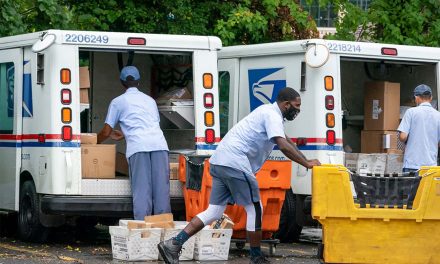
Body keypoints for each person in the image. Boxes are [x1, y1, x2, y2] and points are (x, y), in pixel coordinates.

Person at [158, 87, 321, 264]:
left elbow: (286, 139)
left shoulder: (267, 112)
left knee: (214, 211)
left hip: (220, 161)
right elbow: (282, 145)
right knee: (255, 208)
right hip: (235, 163)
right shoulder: (272, 115)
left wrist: (307, 159)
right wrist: (306, 164)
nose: (298, 110)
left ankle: (173, 244)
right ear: (286, 104)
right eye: (297, 106)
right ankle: (256, 257)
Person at [97, 66, 171, 220]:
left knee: (142, 190)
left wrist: (91, 144)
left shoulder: (118, 102)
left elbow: (106, 131)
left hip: (138, 147)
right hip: (159, 145)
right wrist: (125, 133)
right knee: (161, 191)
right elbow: (149, 124)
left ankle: (143, 231)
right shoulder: (150, 100)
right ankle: (163, 228)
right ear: (138, 81)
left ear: (122, 82)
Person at [398, 84, 440, 172]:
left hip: (412, 164)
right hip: (431, 166)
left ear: (416, 98)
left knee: (411, 186)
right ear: (431, 98)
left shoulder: (411, 112)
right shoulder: (438, 115)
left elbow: (402, 137)